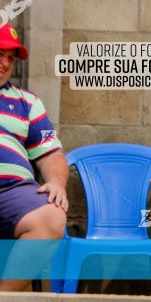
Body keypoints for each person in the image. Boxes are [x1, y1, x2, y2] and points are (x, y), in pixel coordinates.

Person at [0, 24, 67, 291]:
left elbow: (52, 154)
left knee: (52, 217)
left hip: (13, 192)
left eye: (10, 57)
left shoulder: (27, 102)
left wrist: (58, 184)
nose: (5, 63)